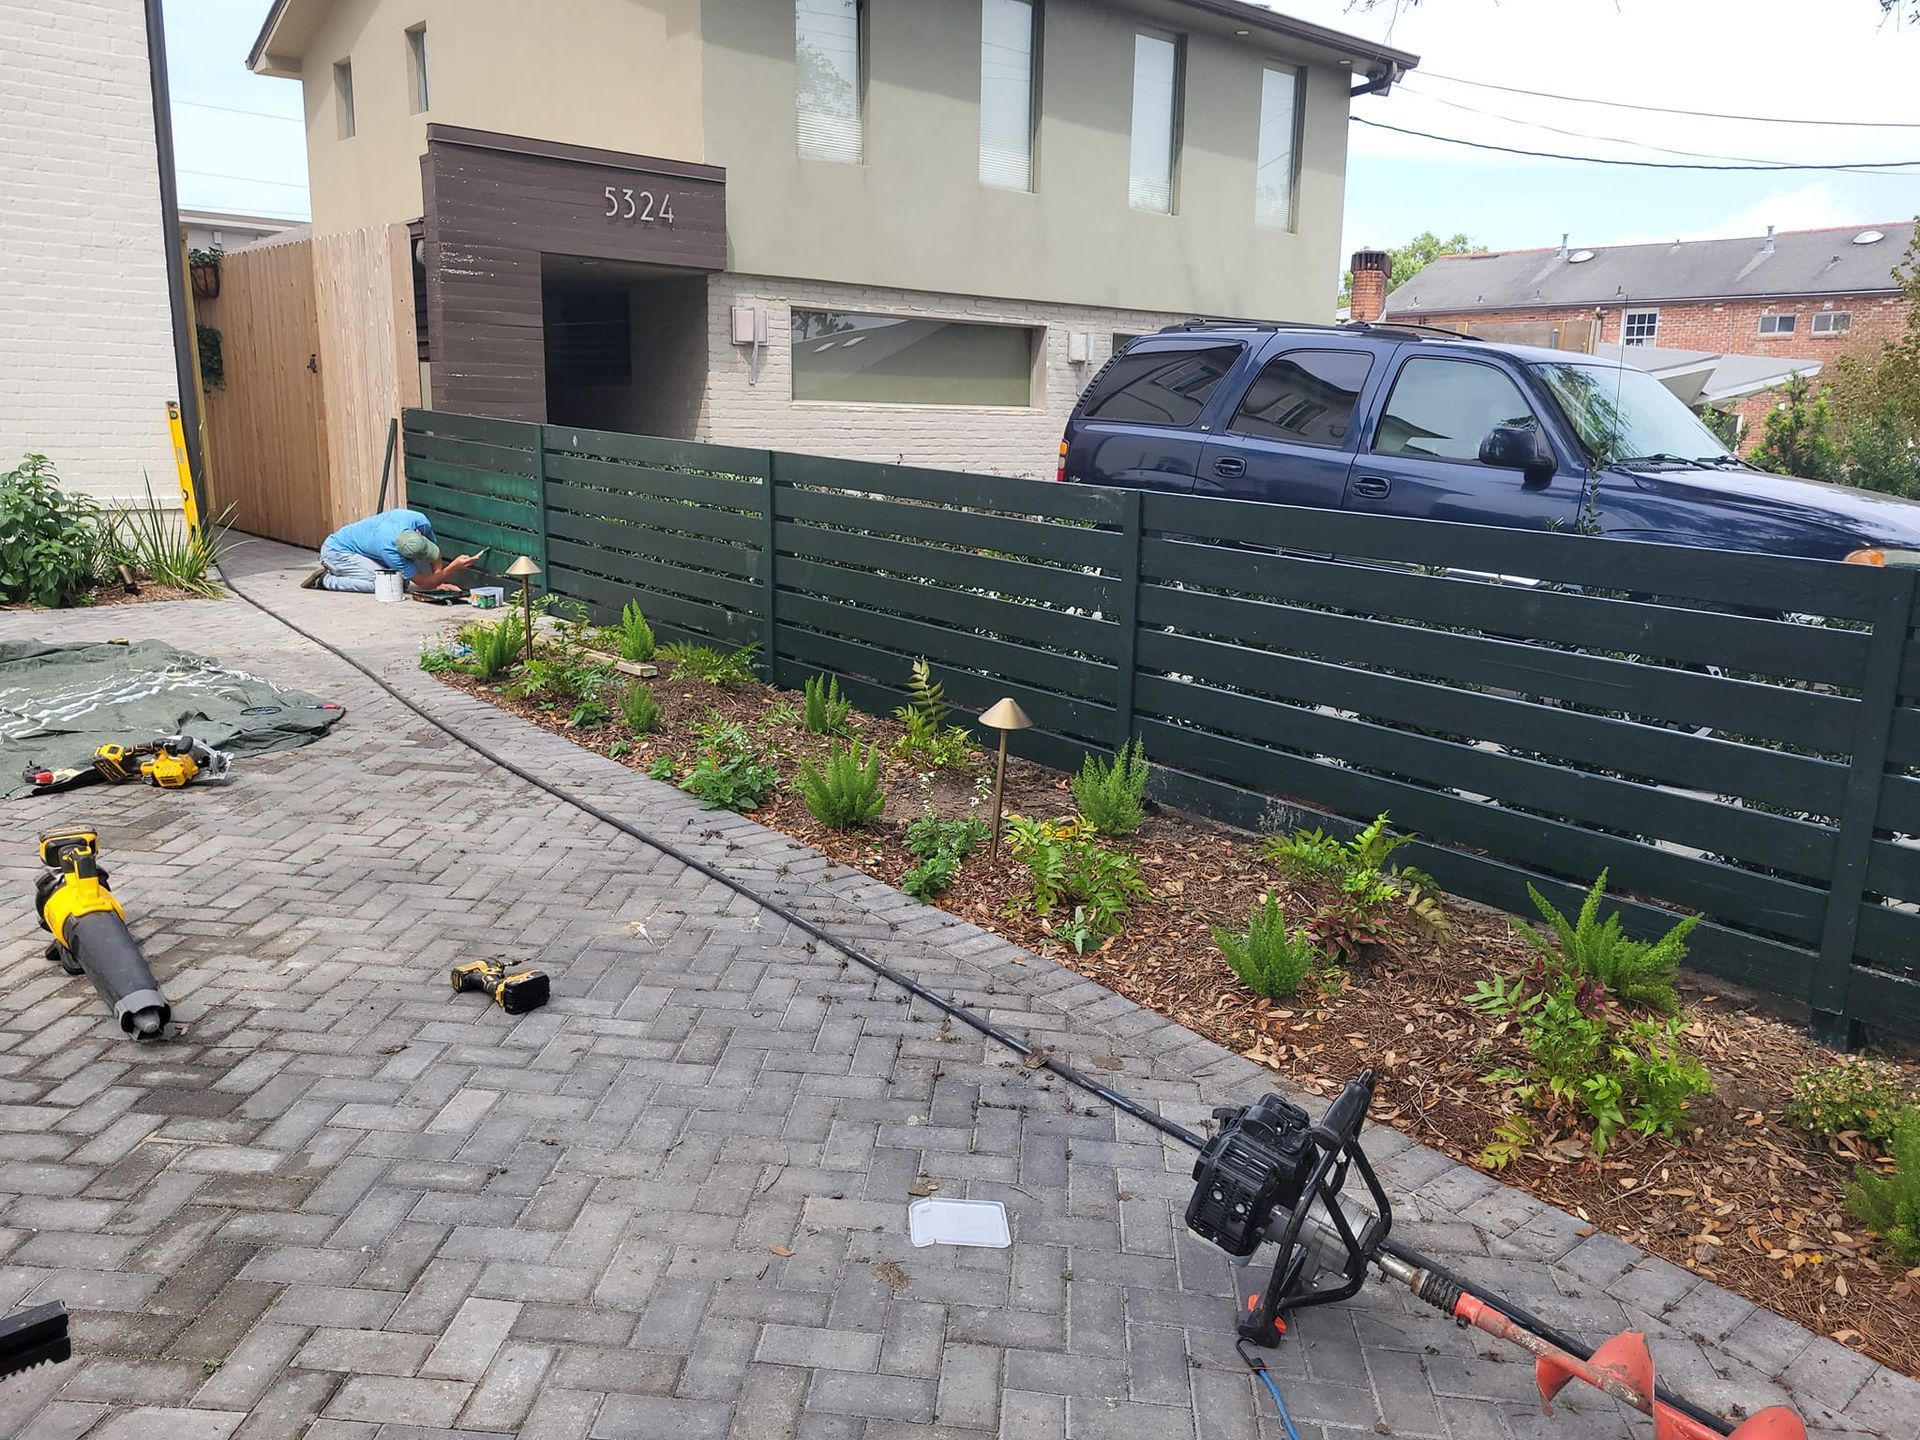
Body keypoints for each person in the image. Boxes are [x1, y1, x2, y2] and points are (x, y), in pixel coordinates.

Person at [302, 508, 478, 594]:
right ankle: (326, 580)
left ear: (418, 533)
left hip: (362, 549)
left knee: (397, 580)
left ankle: (343, 572)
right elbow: (425, 583)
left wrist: (438, 580)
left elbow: (436, 554)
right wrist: (452, 568)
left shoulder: (419, 520)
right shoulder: (389, 550)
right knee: (391, 585)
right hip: (337, 552)